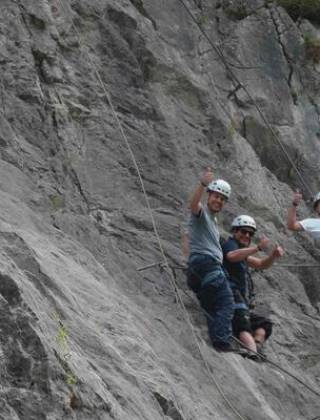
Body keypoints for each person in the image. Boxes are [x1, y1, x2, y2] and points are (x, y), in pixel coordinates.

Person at [222, 215, 284, 359]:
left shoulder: (243, 253)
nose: (247, 235)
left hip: (242, 301)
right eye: (243, 231)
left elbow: (262, 264)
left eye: (250, 234)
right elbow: (231, 256)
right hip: (232, 297)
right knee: (242, 323)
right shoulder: (230, 245)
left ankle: (256, 345)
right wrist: (257, 247)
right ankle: (252, 352)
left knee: (265, 325)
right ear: (235, 231)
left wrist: (273, 256)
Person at [187, 168, 235, 352]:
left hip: (199, 268)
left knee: (211, 304)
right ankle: (221, 342)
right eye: (216, 196)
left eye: (222, 199)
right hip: (208, 266)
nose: (219, 201)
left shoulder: (213, 223)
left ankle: (216, 335)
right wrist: (202, 184)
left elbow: (188, 240)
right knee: (226, 301)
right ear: (209, 196)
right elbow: (193, 205)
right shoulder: (202, 215)